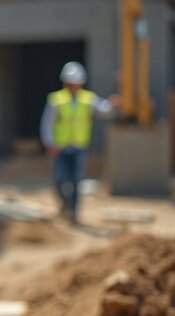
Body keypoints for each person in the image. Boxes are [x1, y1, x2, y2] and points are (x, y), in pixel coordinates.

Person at [40, 61, 118, 224]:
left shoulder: (87, 99)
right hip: (60, 148)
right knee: (59, 179)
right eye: (71, 83)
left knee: (76, 181)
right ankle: (64, 203)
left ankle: (74, 213)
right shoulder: (56, 99)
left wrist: (113, 104)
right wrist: (49, 144)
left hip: (79, 147)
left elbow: (104, 109)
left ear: (81, 83)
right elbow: (46, 123)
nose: (73, 86)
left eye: (76, 83)